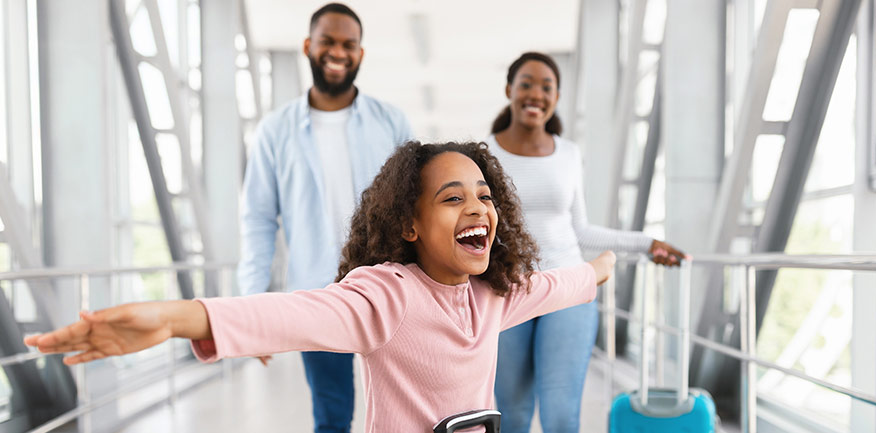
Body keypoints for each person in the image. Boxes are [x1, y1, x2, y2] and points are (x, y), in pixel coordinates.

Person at [24, 141, 617, 432]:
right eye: (453, 198)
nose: (478, 208)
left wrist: (601, 266)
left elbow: (560, 284)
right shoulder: (387, 296)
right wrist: (176, 319)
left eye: (485, 196)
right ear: (409, 225)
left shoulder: (492, 294)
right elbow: (290, 314)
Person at [487, 52, 686, 433]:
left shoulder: (569, 153)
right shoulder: (484, 153)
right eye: (526, 83)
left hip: (569, 290)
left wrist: (647, 244)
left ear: (557, 97)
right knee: (511, 415)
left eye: (547, 87)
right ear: (509, 90)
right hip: (506, 292)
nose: (535, 94)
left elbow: (581, 230)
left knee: (561, 416)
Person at [239, 3, 412, 432]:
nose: (338, 52)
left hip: (391, 289)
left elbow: (418, 207)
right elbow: (259, 219)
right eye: (328, 42)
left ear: (360, 53)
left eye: (348, 44)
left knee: (404, 412)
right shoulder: (275, 131)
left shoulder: (391, 122)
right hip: (317, 293)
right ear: (308, 47)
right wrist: (250, 305)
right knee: (332, 416)